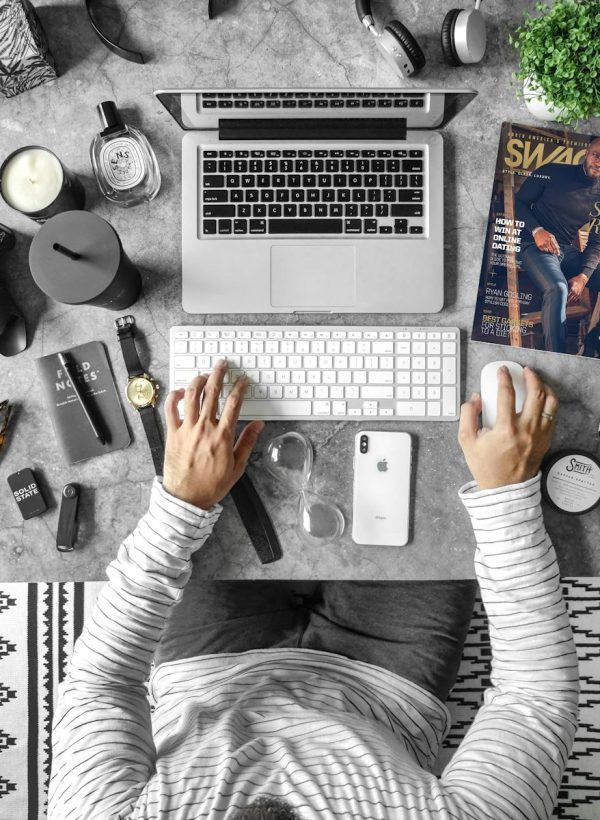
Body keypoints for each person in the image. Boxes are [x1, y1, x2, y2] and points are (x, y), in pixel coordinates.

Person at [48, 361, 579, 820]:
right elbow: (534, 700)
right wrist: (509, 494)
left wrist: (180, 506)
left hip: (206, 670)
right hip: (387, 685)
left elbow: (102, 683)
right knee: (433, 476)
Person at [515, 134, 600, 353]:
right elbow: (518, 202)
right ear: (586, 153)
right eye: (596, 155)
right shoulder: (552, 171)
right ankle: (556, 358)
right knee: (558, 288)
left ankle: (593, 344)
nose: (599, 162)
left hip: (566, 251)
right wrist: (537, 229)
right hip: (532, 245)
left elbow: (596, 241)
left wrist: (584, 276)